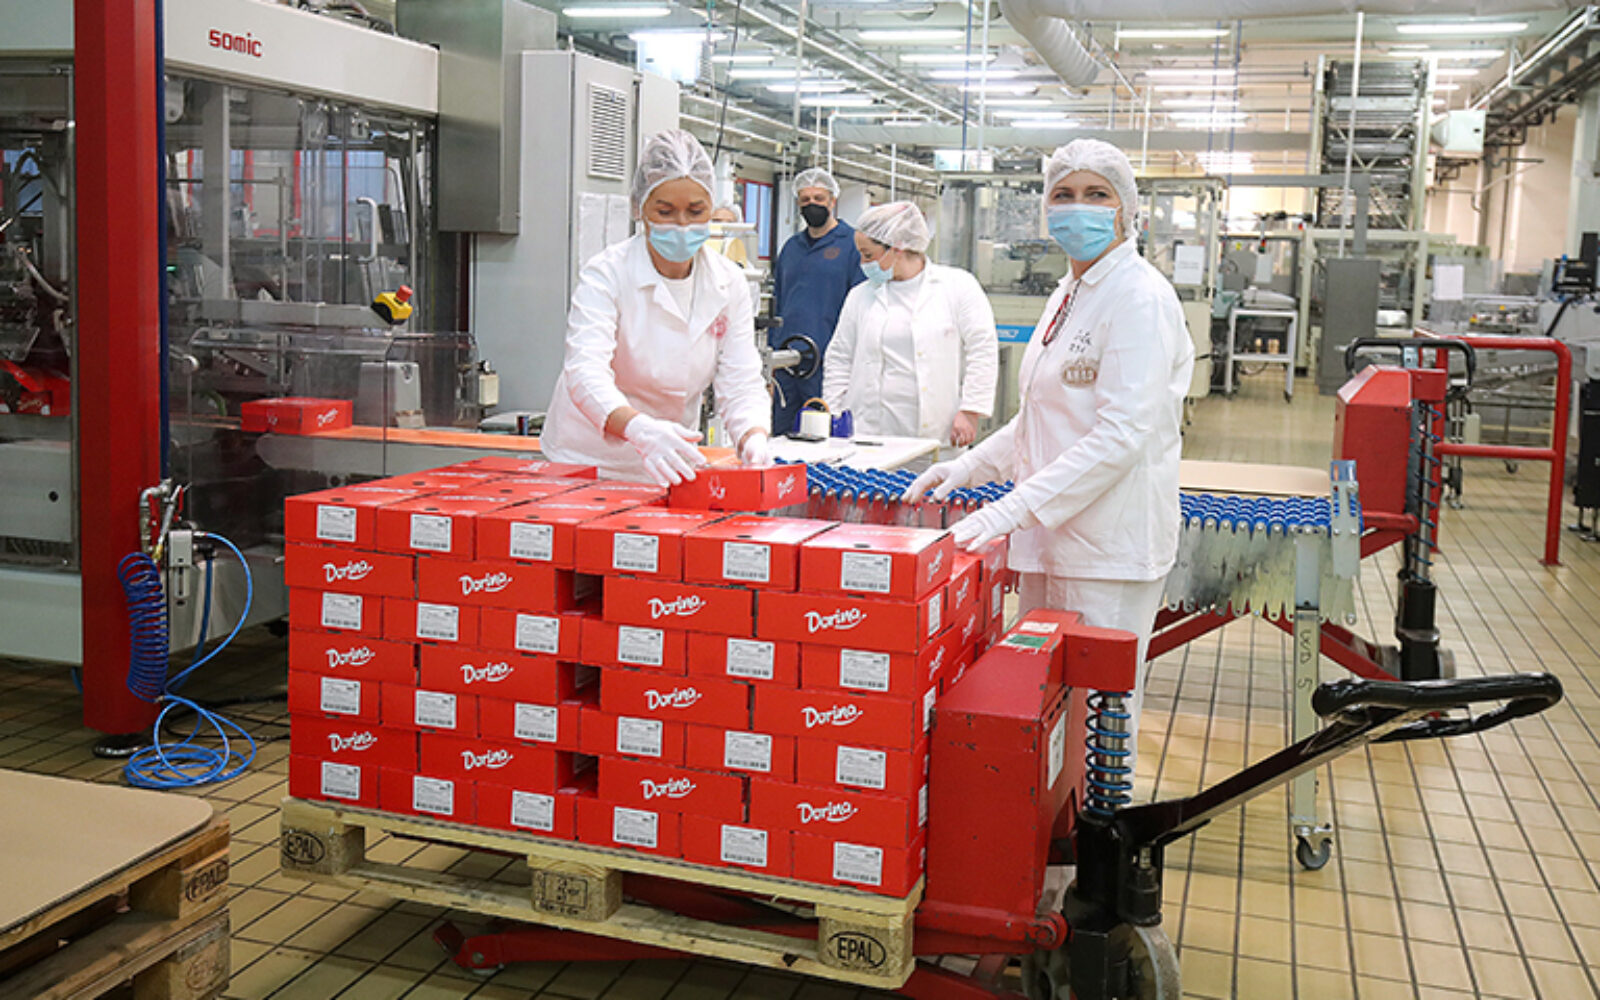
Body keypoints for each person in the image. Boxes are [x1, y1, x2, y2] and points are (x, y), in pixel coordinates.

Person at [905, 138, 1194, 750]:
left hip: (1107, 548)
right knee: (1053, 718)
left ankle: (1103, 813)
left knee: (1100, 724)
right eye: (1063, 194)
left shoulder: (1139, 296)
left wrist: (1009, 510)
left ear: (1125, 208)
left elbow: (1121, 435)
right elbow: (1041, 414)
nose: (1077, 207)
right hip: (1053, 537)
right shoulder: (1069, 292)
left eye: (1096, 194)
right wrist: (971, 466)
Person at [540, 130, 772, 485]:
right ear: (640, 208)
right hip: (587, 459)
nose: (682, 225)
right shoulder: (607, 274)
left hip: (668, 459)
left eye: (696, 211)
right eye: (665, 211)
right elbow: (585, 371)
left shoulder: (729, 282)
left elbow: (740, 378)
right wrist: (639, 429)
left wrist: (752, 435)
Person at [821, 201, 997, 446]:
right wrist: (833, 412)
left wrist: (970, 411)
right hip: (866, 434)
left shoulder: (958, 286)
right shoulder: (860, 295)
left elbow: (982, 350)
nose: (863, 263)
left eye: (868, 255)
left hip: (937, 432)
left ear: (897, 248)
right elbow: (840, 357)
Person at [771, 168, 863, 434]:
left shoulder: (852, 245)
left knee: (825, 435)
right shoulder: (791, 248)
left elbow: (861, 307)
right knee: (783, 436)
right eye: (805, 200)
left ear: (833, 201)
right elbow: (779, 302)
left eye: (819, 199)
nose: (812, 204)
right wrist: (772, 356)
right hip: (787, 362)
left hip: (827, 363)